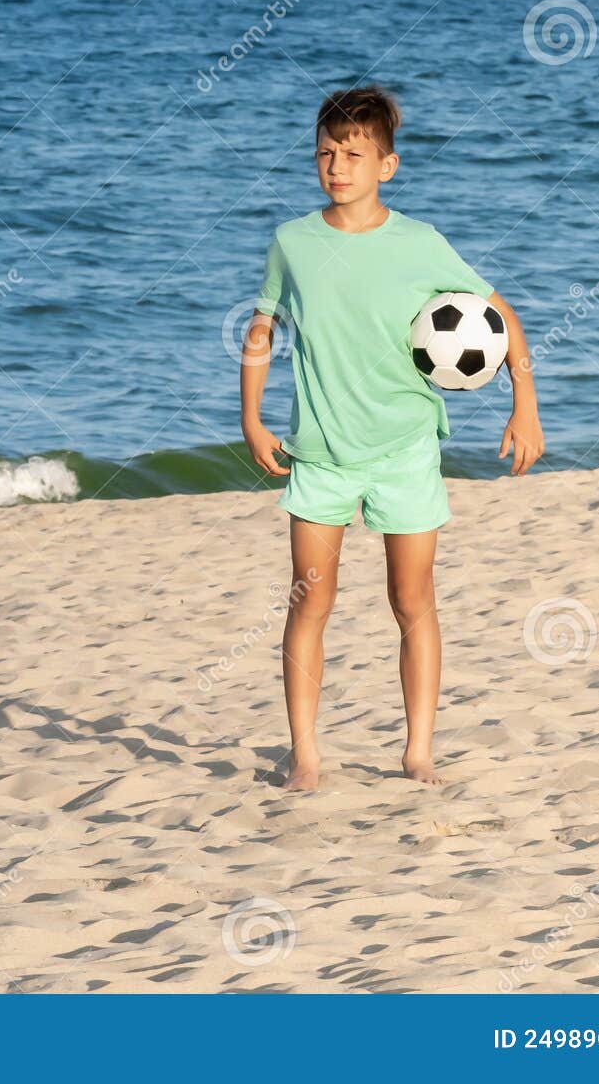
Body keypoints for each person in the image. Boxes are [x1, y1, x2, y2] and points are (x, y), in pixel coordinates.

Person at [239, 85, 544, 793]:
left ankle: (417, 751)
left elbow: (502, 316)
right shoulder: (292, 242)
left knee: (412, 601)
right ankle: (306, 755)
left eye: (353, 154)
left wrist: (524, 405)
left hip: (406, 449)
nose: (336, 166)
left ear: (388, 165)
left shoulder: (420, 242)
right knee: (309, 601)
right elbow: (262, 332)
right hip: (320, 452)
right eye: (325, 152)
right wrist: (252, 419)